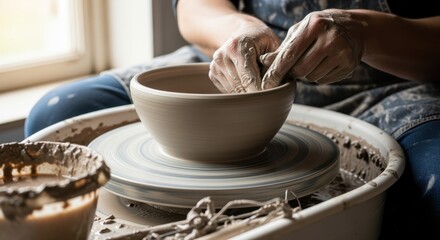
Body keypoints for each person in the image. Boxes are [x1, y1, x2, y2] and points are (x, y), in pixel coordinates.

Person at [24, 0, 440, 238]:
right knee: (59, 112)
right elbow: (195, 6)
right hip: (239, 61)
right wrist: (239, 28)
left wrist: (363, 31)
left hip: (388, 78)